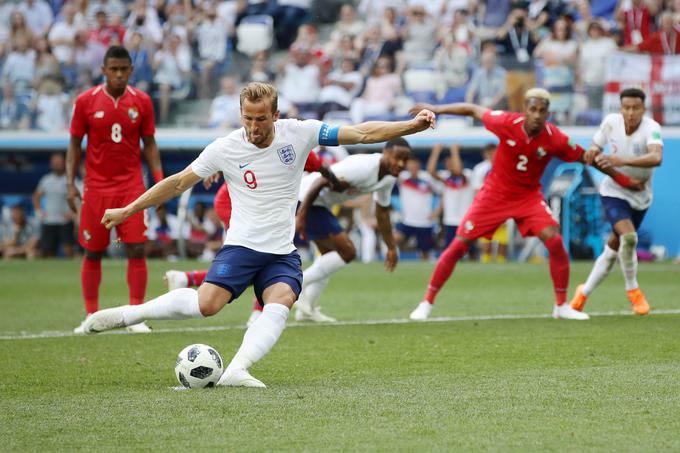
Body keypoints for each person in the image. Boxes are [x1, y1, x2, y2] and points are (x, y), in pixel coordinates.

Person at [81, 82, 435, 388]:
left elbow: (361, 133)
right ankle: (131, 314)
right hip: (241, 247)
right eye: (247, 118)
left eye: (261, 119)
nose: (253, 126)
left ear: (276, 115)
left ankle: (237, 369)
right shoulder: (225, 147)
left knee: (280, 301)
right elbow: (177, 183)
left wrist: (411, 126)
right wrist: (128, 209)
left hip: (282, 252)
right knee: (206, 306)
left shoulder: (301, 132)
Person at [407, 88, 643, 321]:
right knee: (459, 244)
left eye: (542, 110)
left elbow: (589, 159)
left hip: (528, 197)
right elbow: (472, 109)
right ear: (525, 110)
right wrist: (436, 108)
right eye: (533, 109)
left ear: (548, 113)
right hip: (494, 195)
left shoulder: (555, 139)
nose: (537, 115)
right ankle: (426, 302)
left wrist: (622, 179)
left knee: (555, 239)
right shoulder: (506, 122)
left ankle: (561, 306)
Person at [163, 150, 339, 327]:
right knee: (256, 258)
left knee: (257, 260)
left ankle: (187, 279)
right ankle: (256, 312)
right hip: (236, 203)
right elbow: (236, 151)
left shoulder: (296, 146)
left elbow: (322, 168)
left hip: (248, 205)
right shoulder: (283, 142)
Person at [67, 46, 162, 334]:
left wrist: (158, 181)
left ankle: (135, 316)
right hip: (95, 187)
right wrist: (70, 183)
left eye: (124, 69)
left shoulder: (142, 102)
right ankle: (91, 315)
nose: (119, 74)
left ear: (131, 70)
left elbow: (150, 144)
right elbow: (73, 144)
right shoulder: (85, 102)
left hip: (131, 186)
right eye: (114, 69)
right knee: (93, 252)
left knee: (136, 248)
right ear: (104, 70)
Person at [292, 137, 412, 322]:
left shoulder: (389, 177)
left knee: (328, 259)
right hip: (306, 199)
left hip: (321, 204)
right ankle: (294, 287)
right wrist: (302, 213)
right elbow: (320, 181)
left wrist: (390, 247)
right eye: (398, 158)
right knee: (348, 252)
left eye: (406, 159)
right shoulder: (363, 166)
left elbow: (382, 214)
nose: (402, 164)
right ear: (386, 153)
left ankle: (306, 311)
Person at [570, 88, 663, 316]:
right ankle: (633, 291)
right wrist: (593, 152)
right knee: (629, 237)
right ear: (620, 108)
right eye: (626, 107)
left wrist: (621, 160)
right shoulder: (611, 122)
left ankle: (583, 292)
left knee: (613, 248)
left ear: (644, 109)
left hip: (641, 196)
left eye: (636, 108)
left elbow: (656, 157)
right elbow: (594, 147)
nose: (631, 113)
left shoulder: (652, 128)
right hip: (613, 192)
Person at [426, 144, 475, 248]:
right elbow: (430, 171)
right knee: (450, 249)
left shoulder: (468, 175)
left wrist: (454, 151)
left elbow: (458, 171)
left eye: (451, 162)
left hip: (466, 220)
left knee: (470, 250)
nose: (449, 165)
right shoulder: (446, 178)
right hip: (450, 221)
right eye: (447, 163)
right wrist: (435, 152)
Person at [33, 152, 75, 257]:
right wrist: (39, 211)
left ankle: (71, 271)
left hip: (64, 221)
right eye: (54, 162)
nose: (57, 164)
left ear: (64, 163)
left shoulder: (69, 180)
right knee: (48, 251)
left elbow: (76, 198)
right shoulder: (46, 180)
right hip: (49, 221)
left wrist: (73, 213)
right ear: (51, 164)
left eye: (59, 162)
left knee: (68, 249)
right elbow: (36, 196)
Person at [395, 157, 436, 261]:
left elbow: (443, 193)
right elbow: (393, 169)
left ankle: (425, 270)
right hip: (407, 220)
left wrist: (436, 212)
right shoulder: (403, 177)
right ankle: (392, 258)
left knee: (425, 253)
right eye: (410, 165)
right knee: (394, 239)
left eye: (415, 165)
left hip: (424, 221)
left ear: (419, 165)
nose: (412, 167)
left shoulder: (428, 178)